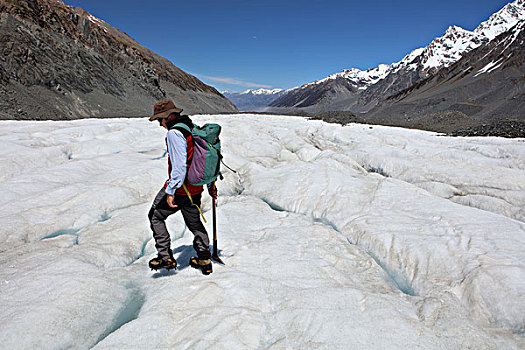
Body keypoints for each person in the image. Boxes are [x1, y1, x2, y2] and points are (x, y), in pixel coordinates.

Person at [147, 99, 217, 275]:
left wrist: (171, 191)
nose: (160, 124)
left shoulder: (174, 133)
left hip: (180, 188)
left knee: (155, 216)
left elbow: (179, 166)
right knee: (194, 222)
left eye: (159, 120)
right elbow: (201, 160)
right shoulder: (191, 128)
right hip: (195, 187)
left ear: (167, 117)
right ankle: (204, 257)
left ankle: (165, 257)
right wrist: (210, 184)